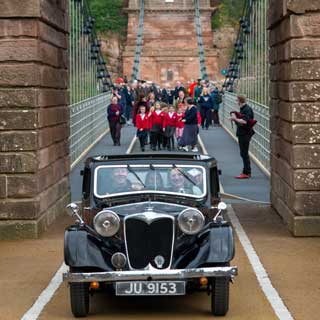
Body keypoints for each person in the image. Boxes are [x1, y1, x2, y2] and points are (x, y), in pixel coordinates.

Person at [230, 94, 255, 179]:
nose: (236, 102)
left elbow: (245, 121)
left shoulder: (247, 109)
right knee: (243, 153)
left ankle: (246, 172)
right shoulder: (244, 109)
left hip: (245, 133)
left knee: (244, 153)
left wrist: (235, 119)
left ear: (240, 101)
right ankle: (246, 171)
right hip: (243, 133)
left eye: (237, 100)